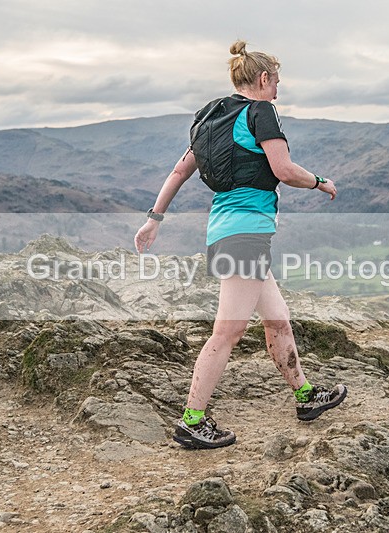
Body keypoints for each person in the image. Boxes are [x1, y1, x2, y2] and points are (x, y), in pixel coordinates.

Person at [134, 40, 347, 450]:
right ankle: (192, 421)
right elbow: (283, 170)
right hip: (245, 235)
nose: (279, 90)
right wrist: (321, 183)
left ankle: (305, 396)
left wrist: (153, 219)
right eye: (277, 81)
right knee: (227, 332)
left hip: (228, 231)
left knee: (277, 319)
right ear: (263, 79)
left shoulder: (210, 116)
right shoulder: (260, 111)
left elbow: (180, 171)